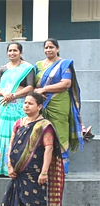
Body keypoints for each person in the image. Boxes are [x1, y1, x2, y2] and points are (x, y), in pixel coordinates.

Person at [0, 92, 64, 206]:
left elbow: (49, 149)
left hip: (34, 174)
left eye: (30, 103)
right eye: (25, 103)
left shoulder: (44, 126)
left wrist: (44, 172)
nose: (26, 106)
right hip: (17, 173)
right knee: (17, 204)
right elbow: (11, 144)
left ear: (39, 107)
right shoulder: (19, 123)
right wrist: (9, 165)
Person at [33, 38, 84, 173]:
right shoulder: (38, 65)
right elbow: (33, 84)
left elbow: (66, 83)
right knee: (42, 131)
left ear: (57, 49)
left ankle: (60, 167)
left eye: (51, 47)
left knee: (60, 131)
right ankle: (43, 165)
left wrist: (44, 89)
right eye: (46, 47)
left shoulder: (64, 64)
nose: (48, 50)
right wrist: (38, 94)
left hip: (59, 102)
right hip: (41, 103)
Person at [0, 42, 35, 176]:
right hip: (4, 105)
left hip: (19, 107)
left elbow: (30, 87)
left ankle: (18, 166)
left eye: (15, 50)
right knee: (3, 134)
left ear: (20, 52)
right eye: (10, 50)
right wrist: (5, 94)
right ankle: (2, 167)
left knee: (18, 134)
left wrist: (14, 95)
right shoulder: (3, 69)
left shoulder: (27, 68)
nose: (12, 53)